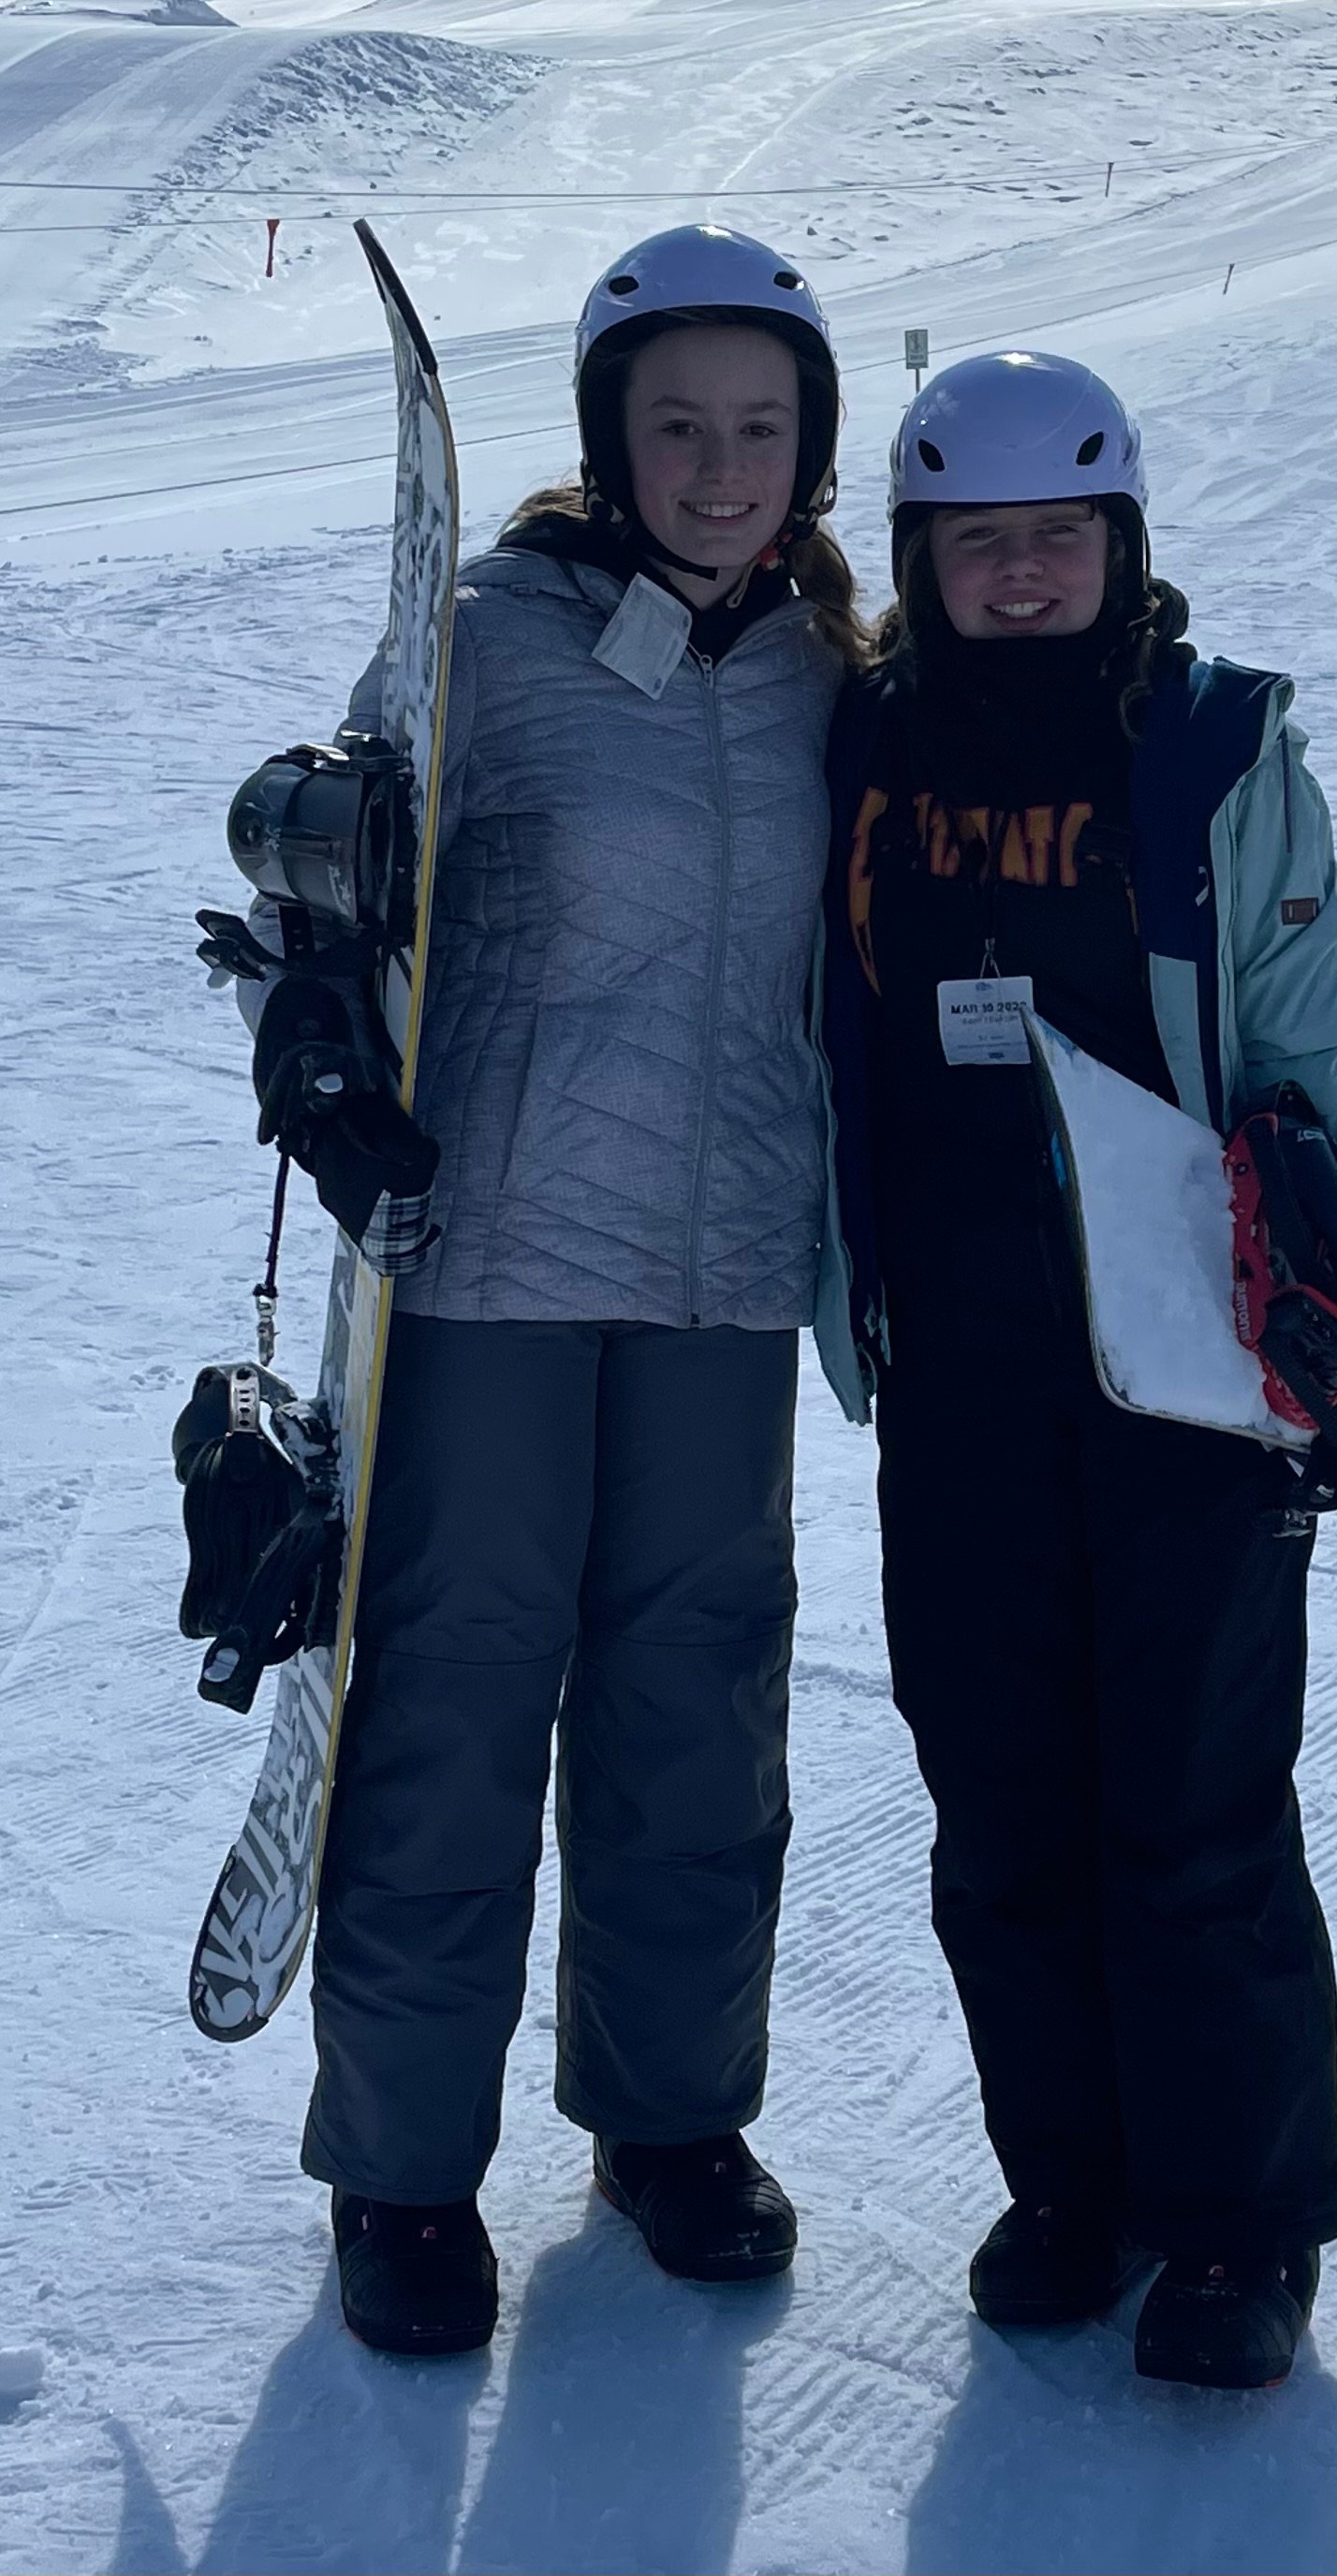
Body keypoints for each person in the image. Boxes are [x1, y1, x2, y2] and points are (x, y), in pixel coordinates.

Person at [238, 225, 867, 2355]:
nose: (716, 467)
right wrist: (316, 1043)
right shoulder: (490, 642)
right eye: (675, 425)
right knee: (454, 1699)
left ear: (812, 447)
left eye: (758, 428)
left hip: (723, 1281)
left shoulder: (822, 676)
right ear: (608, 437)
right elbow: (306, 869)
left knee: (701, 1710)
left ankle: (671, 2121)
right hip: (489, 1262)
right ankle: (402, 2170)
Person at [815, 350, 1337, 2392]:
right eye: (973, 541)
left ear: (1120, 542)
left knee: (1189, 1799)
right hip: (959, 1363)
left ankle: (1234, 2227)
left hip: (1189, 1366)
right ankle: (1067, 2178)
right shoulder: (856, 747)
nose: (1014, 576)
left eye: (1053, 536)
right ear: (915, 556)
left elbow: (1301, 1030)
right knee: (996, 1794)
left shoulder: (1207, 746)